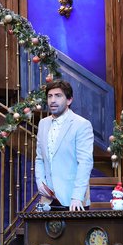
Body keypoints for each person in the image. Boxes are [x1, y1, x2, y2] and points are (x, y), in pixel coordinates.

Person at [34, 79, 94, 212]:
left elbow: (85, 163)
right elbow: (39, 158)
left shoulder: (81, 124)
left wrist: (77, 196)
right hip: (48, 199)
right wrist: (40, 182)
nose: (52, 100)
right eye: (50, 96)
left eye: (58, 96)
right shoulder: (43, 123)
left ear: (69, 100)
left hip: (73, 200)